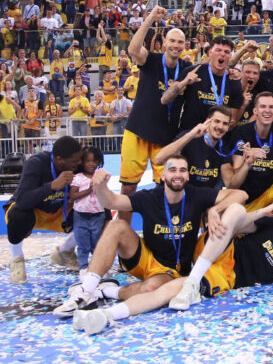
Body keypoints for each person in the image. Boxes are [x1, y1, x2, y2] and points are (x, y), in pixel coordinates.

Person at [70, 203, 273, 334]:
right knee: (236, 209)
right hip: (219, 247)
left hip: (228, 275)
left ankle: (106, 312)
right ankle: (193, 278)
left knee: (163, 291)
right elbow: (238, 222)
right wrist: (263, 212)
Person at [53, 155, 248, 318]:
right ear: (163, 175)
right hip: (146, 258)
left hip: (173, 269)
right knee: (117, 226)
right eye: (172, 170)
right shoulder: (149, 197)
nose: (177, 174)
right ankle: (85, 292)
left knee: (149, 290)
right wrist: (100, 187)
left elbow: (240, 195)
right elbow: (112, 202)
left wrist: (215, 210)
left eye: (182, 170)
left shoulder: (196, 194)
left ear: (188, 175)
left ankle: (106, 291)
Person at [123, 6, 192, 222]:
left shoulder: (187, 69)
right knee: (128, 187)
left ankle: (160, 230)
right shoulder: (151, 60)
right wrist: (151, 18)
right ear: (164, 44)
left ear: (185, 46)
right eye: (172, 41)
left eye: (180, 42)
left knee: (165, 187)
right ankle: (121, 231)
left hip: (165, 137)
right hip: (138, 131)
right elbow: (133, 49)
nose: (176, 45)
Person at [4, 136, 83, 283]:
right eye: (75, 161)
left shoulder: (78, 165)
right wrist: (52, 186)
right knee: (17, 215)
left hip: (60, 211)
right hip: (34, 212)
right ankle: (16, 259)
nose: (79, 163)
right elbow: (22, 200)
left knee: (98, 211)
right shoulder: (36, 163)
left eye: (80, 159)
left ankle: (65, 251)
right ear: (59, 159)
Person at [165, 36, 244, 131]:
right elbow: (165, 99)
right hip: (189, 135)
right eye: (218, 50)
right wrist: (184, 82)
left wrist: (215, 126)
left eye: (227, 52)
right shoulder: (193, 72)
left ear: (230, 56)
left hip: (216, 136)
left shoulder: (233, 81)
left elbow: (232, 121)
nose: (222, 54)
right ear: (210, 52)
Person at [153, 106, 236, 189]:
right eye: (217, 121)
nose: (220, 127)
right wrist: (190, 135)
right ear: (208, 121)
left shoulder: (223, 147)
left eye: (225, 123)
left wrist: (244, 166)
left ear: (228, 127)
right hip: (177, 191)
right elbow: (158, 160)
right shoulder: (189, 137)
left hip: (202, 194)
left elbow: (230, 184)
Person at [69, 147, 106, 272]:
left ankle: (97, 269)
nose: (91, 164)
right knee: (83, 244)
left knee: (97, 245)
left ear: (99, 162)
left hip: (98, 215)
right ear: (82, 162)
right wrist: (89, 190)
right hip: (81, 216)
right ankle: (83, 269)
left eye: (94, 161)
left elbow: (105, 195)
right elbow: (73, 196)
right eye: (87, 161)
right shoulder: (78, 178)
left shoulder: (101, 177)